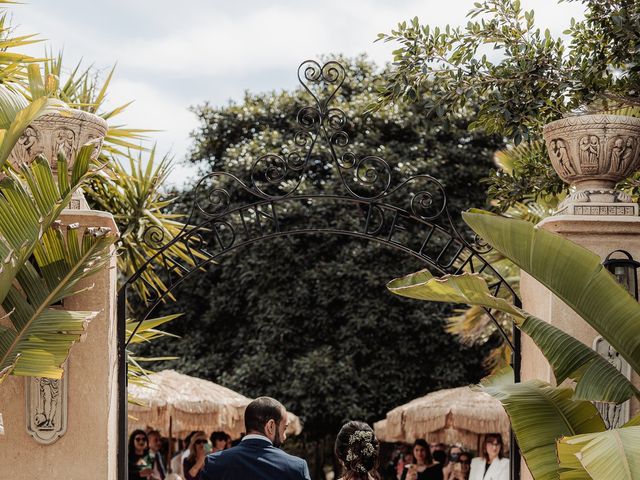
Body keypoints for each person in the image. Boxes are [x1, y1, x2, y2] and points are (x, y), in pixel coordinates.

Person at [201, 396, 311, 479]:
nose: (284, 437)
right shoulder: (296, 467)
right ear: (270, 426)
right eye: (284, 429)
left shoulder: (214, 463)